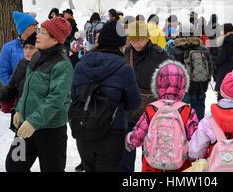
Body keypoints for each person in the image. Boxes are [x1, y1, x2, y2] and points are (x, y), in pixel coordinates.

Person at [71, 20, 141, 172]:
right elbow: (134, 102)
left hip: (84, 130)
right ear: (121, 43)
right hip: (112, 132)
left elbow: (74, 95)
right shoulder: (124, 68)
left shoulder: (81, 64)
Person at [6, 17, 74, 172]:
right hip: (26, 125)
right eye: (39, 31)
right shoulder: (36, 56)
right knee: (14, 166)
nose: (37, 35)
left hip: (50, 131)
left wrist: (34, 122)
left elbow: (55, 100)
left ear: (55, 39)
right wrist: (19, 109)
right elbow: (28, 88)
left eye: (42, 32)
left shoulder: (62, 64)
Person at [125, 60, 199, 172]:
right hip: (180, 164)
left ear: (158, 84)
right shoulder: (187, 110)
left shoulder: (152, 109)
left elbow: (139, 135)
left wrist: (130, 141)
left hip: (152, 165)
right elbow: (195, 139)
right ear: (183, 85)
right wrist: (192, 155)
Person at [120, 20, 168, 172]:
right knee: (126, 151)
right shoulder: (126, 53)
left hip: (152, 111)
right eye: (132, 40)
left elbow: (167, 80)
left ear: (147, 38)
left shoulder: (159, 54)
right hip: (129, 109)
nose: (135, 43)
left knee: (149, 152)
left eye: (139, 39)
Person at [0, 32, 38, 132]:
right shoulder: (22, 64)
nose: (28, 51)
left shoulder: (43, 66)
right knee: (19, 146)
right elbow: (11, 86)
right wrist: (1, 95)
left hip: (36, 117)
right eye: (25, 47)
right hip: (19, 113)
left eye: (32, 48)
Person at [168, 22, 213, 121]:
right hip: (199, 86)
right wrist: (205, 80)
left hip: (182, 88)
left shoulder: (174, 48)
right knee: (199, 116)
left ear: (180, 34)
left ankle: (182, 134)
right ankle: (199, 134)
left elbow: (171, 69)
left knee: (180, 115)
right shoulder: (203, 48)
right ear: (193, 33)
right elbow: (210, 67)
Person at [0, 11, 38, 85]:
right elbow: (3, 74)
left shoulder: (41, 45)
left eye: (36, 24)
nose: (36, 27)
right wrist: (13, 90)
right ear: (23, 27)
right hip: (16, 93)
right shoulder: (8, 48)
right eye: (33, 25)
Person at [212, 23, 233, 92]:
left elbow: (220, 59)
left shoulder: (226, 42)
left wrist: (211, 58)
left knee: (223, 93)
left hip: (225, 71)